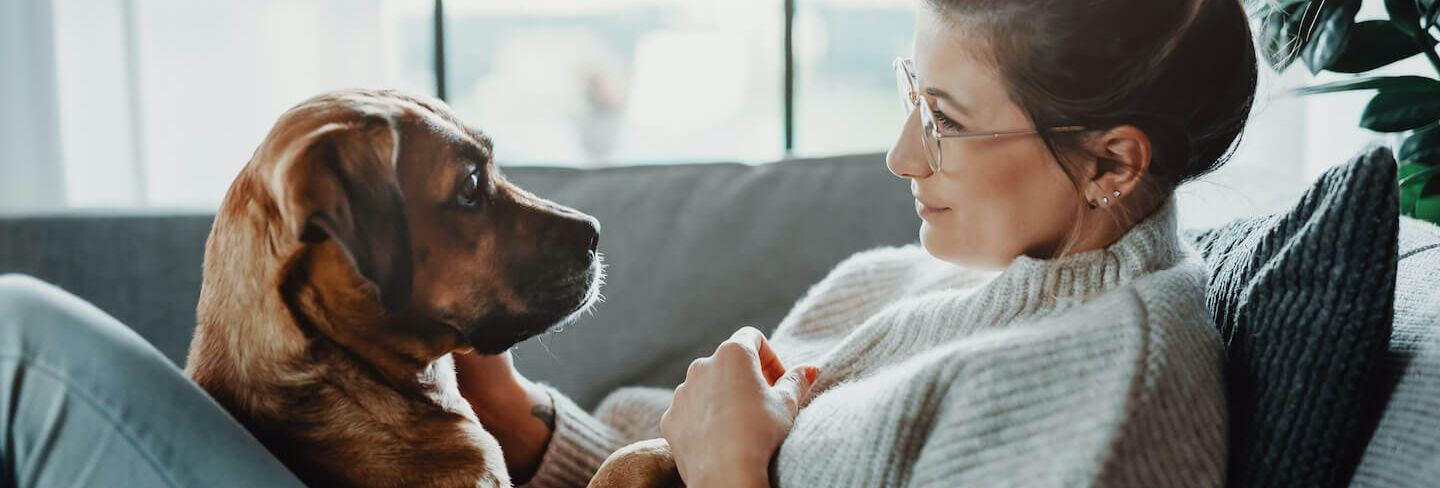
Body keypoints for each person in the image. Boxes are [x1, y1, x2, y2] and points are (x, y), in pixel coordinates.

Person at [456, 0, 1258, 486]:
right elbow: (663, 459)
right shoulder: (896, 281)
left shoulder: (1109, 396)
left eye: (945, 119)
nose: (902, 155)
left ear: (1112, 161)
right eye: (914, 91)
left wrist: (729, 471)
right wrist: (513, 413)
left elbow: (710, 461)